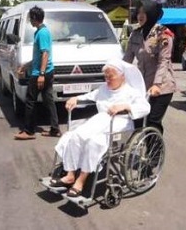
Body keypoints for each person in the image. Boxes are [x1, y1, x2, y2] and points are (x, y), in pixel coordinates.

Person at [49, 59, 150, 197]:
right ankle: (70, 174)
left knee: (94, 142)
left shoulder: (131, 92)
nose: (107, 80)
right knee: (75, 135)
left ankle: (80, 180)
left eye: (110, 77)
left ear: (122, 76)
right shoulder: (104, 89)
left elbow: (145, 107)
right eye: (105, 77)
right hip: (100, 120)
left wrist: (126, 106)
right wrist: (76, 98)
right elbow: (89, 96)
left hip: (120, 124)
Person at [123, 0, 176, 134]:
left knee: (153, 121)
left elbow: (164, 60)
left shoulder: (163, 34)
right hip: (143, 86)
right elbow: (127, 59)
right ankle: (144, 150)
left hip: (163, 87)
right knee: (138, 119)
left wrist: (157, 84)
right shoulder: (135, 34)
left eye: (144, 12)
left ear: (151, 14)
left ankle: (155, 154)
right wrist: (117, 74)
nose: (140, 16)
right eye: (139, 12)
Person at [14, 6, 61, 140]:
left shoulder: (42, 33)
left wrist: (41, 74)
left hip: (41, 73)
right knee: (48, 100)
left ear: (34, 18)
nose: (29, 20)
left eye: (30, 18)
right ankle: (55, 129)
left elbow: (45, 54)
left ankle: (28, 131)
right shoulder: (39, 32)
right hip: (43, 71)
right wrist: (26, 66)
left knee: (30, 100)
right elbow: (38, 56)